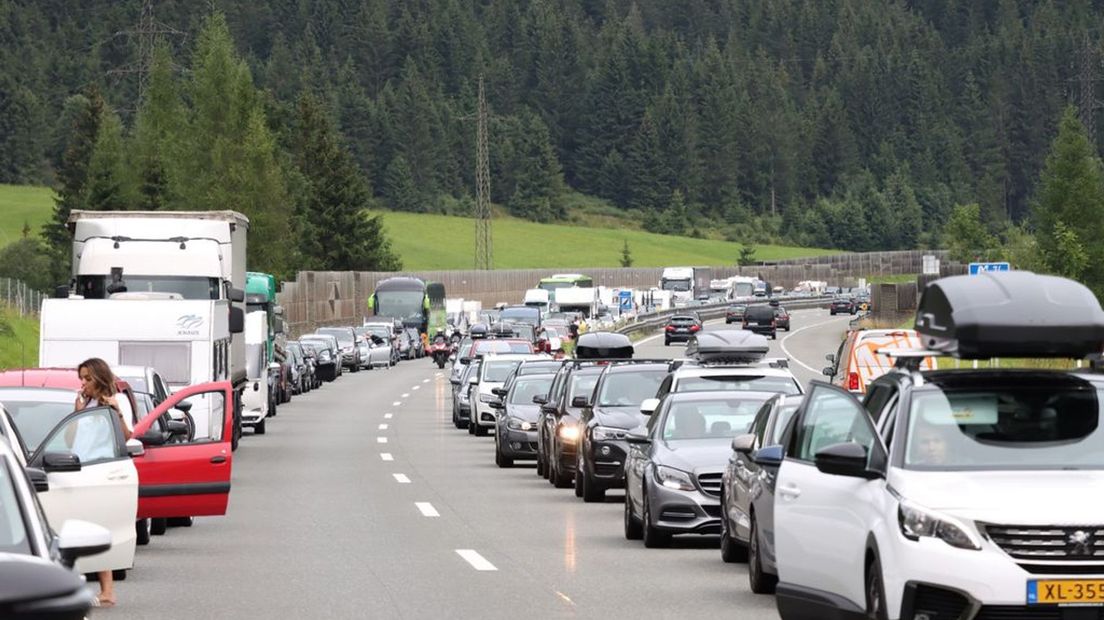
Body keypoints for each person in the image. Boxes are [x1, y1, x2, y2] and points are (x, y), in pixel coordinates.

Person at [75, 358, 130, 608]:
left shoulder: (115, 401)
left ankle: (108, 590)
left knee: (96, 530)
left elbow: (127, 436)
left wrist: (116, 410)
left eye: (88, 378)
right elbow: (71, 439)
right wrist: (76, 412)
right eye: (82, 379)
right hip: (77, 470)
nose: (84, 383)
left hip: (100, 472)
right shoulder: (85, 403)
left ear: (99, 377)